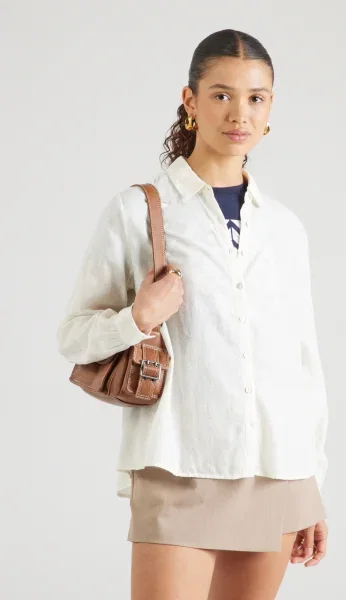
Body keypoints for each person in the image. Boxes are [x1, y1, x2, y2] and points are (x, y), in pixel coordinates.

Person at [56, 28, 330, 600]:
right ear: (191, 101)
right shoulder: (138, 211)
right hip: (178, 465)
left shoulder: (284, 227)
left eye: (255, 97)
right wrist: (137, 318)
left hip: (279, 471)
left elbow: (304, 363)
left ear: (270, 108)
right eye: (221, 94)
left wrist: (313, 481)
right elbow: (74, 338)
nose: (239, 113)